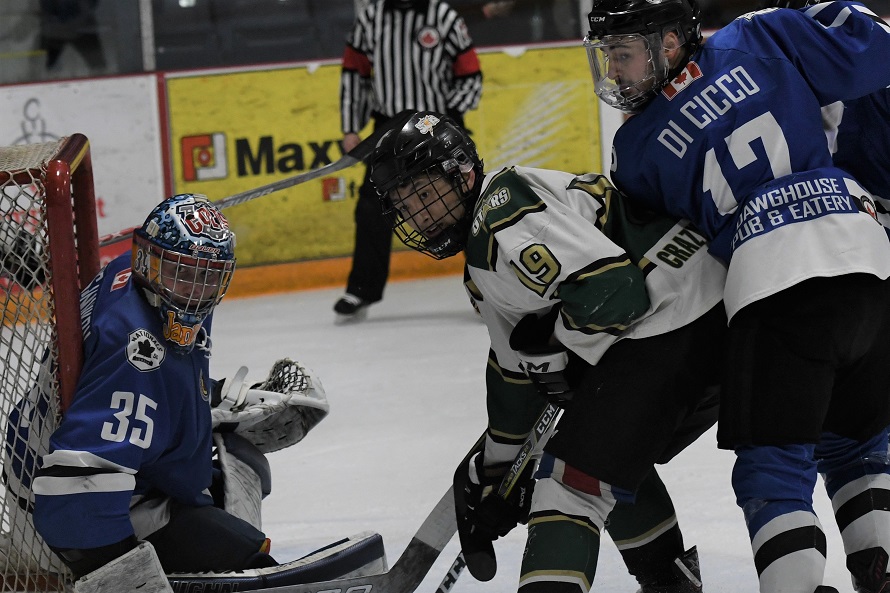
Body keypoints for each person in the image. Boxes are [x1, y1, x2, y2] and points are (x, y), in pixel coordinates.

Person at [583, 2, 890, 592]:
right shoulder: (762, 32)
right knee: (859, 448)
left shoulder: (634, 153)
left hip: (773, 282)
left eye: (623, 54)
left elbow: (678, 264)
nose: (614, 73)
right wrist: (836, 13)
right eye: (609, 57)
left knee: (772, 469)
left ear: (670, 43)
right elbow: (875, 57)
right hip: (868, 260)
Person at [367, 111, 729, 592]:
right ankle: (668, 580)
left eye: (424, 192)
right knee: (601, 454)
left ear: (463, 171)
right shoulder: (481, 267)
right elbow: (514, 372)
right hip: (698, 316)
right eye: (405, 203)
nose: (418, 213)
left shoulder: (500, 210)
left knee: (567, 480)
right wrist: (495, 468)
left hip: (677, 313)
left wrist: (563, 351)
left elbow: (616, 293)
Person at [6, 194, 384, 592]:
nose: (195, 291)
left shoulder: (130, 274)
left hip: (41, 456)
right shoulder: (135, 355)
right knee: (247, 555)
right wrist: (126, 578)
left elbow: (141, 386)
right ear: (148, 260)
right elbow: (74, 494)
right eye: (184, 273)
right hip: (56, 502)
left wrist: (211, 400)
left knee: (242, 460)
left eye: (209, 276)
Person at [334, 0, 483, 323]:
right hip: (389, 129)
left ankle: (487, 285)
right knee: (373, 207)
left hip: (436, 128)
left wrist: (446, 116)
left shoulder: (443, 16)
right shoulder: (370, 19)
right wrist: (350, 127)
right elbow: (353, 73)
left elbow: (470, 74)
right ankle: (362, 289)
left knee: (467, 203)